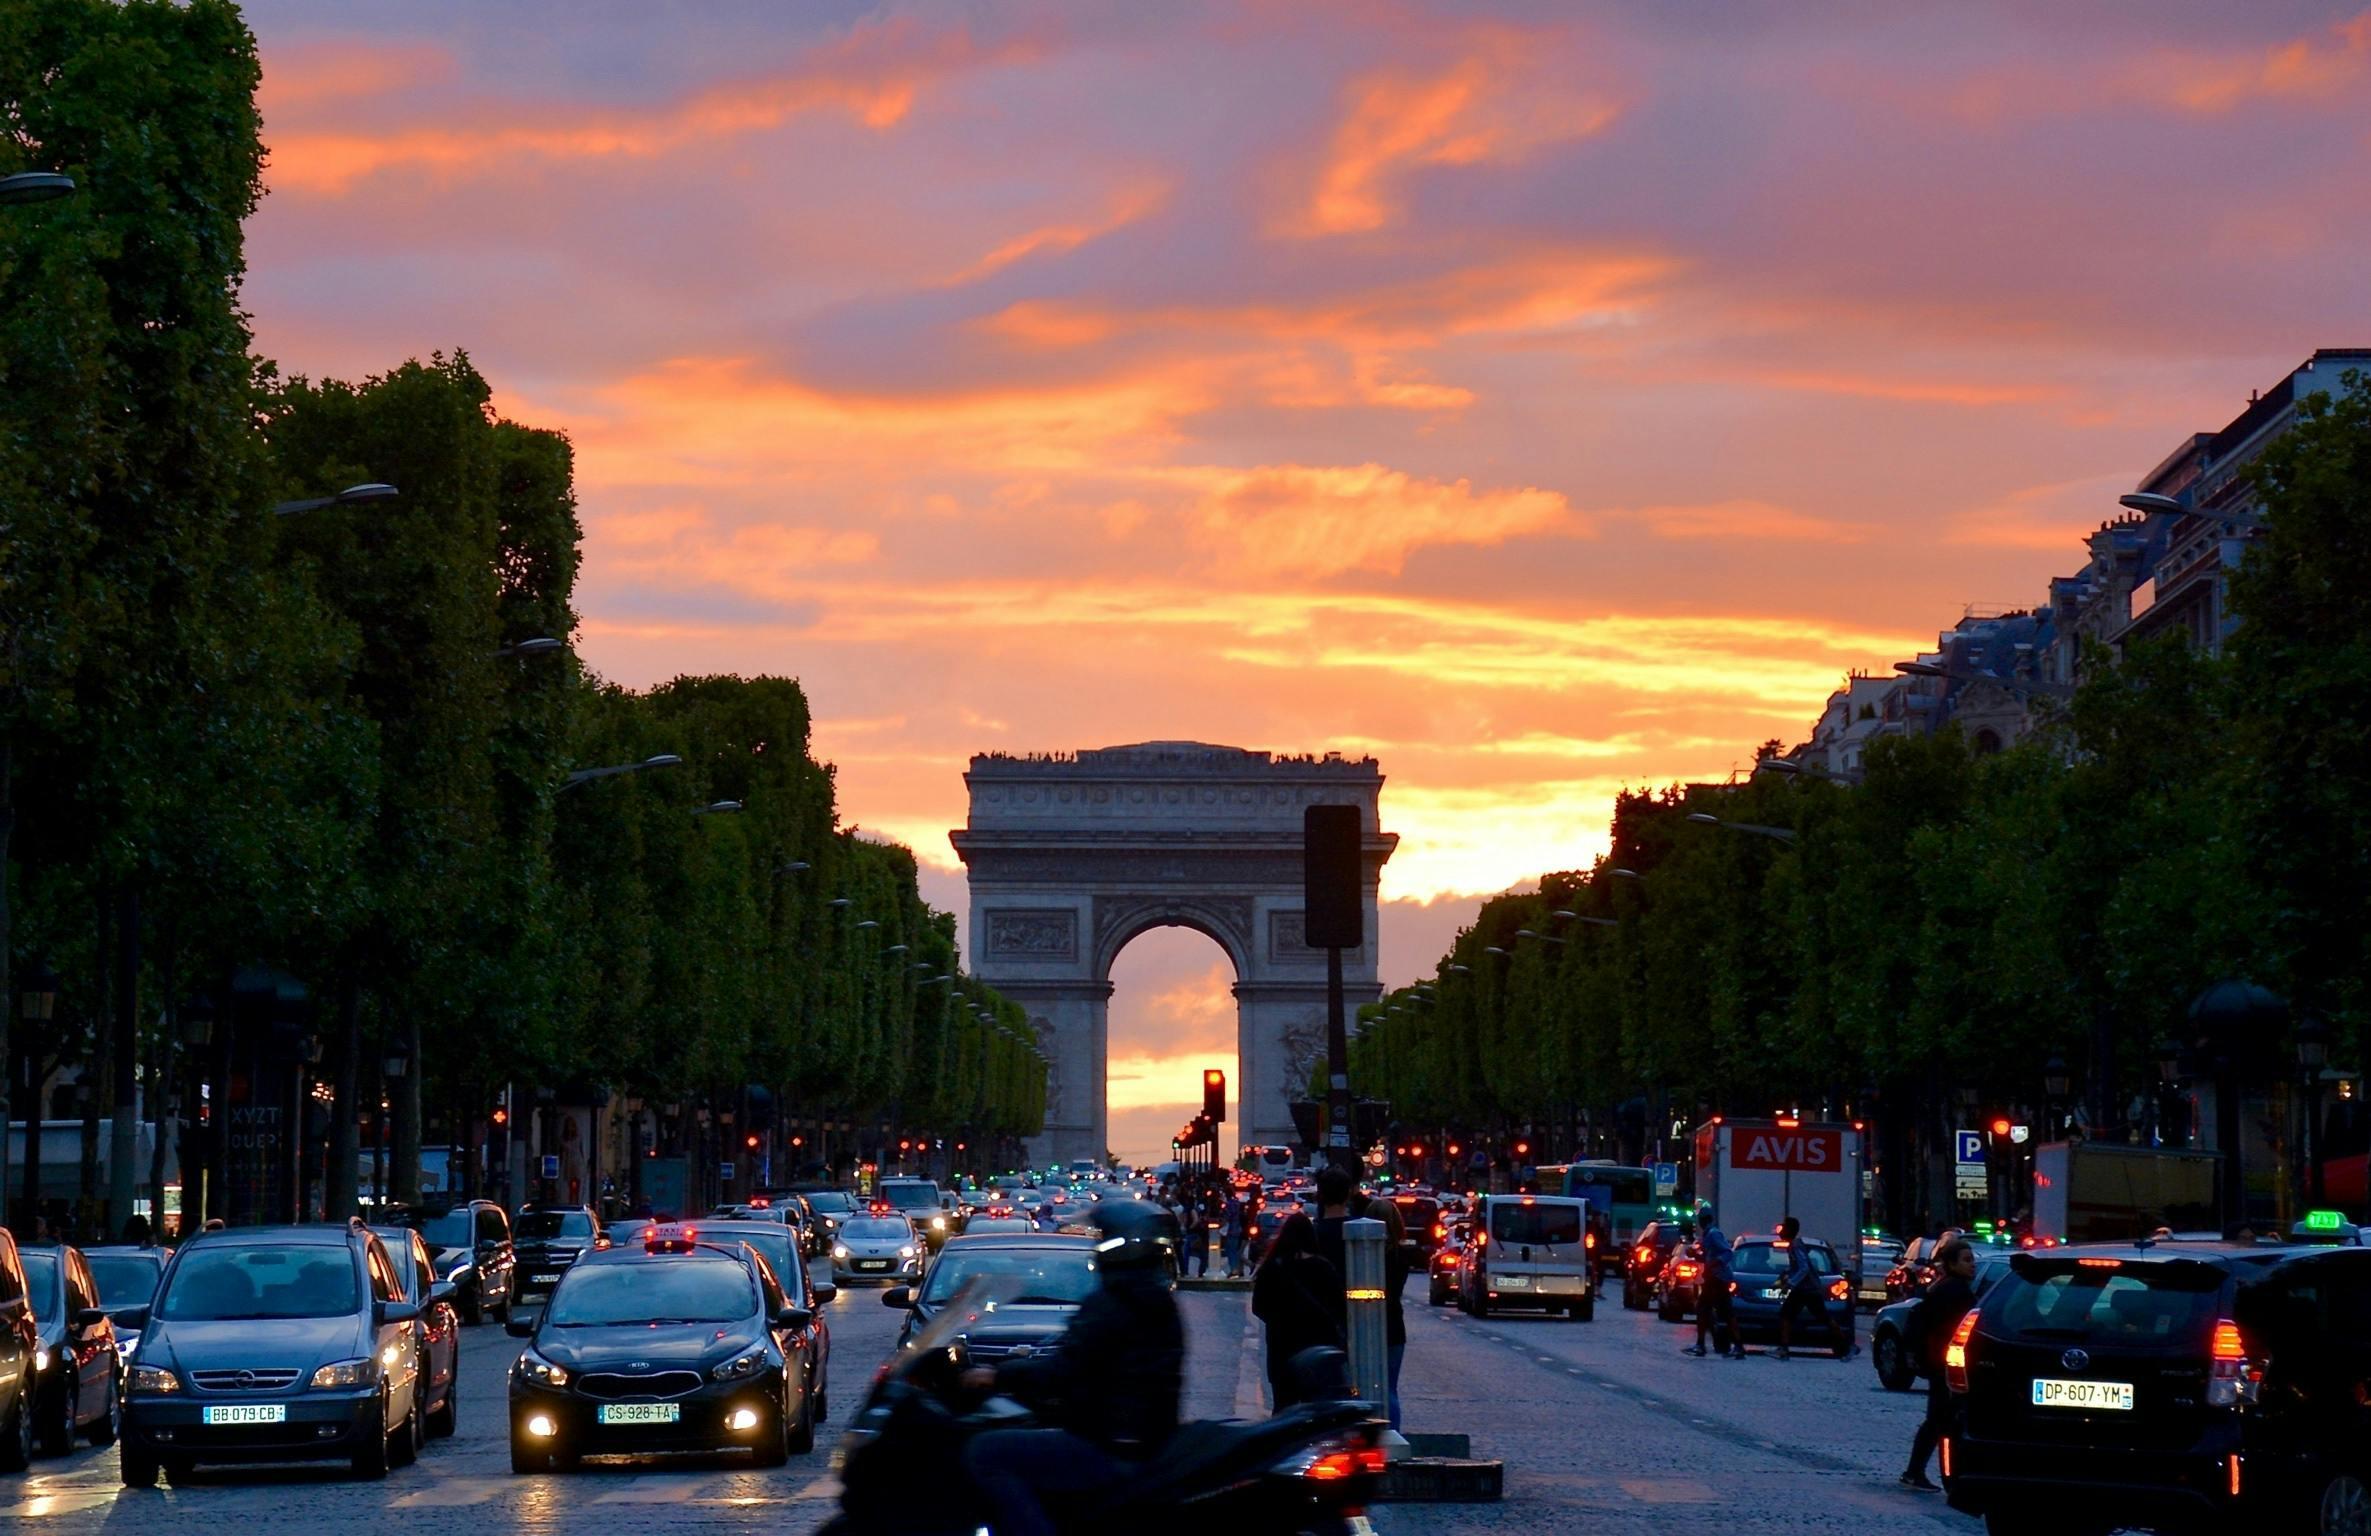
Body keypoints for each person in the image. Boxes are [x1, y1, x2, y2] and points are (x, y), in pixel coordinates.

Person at [959, 1200, 1184, 1536]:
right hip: (1136, 1438)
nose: (1097, 1246)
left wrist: (997, 1374)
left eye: (1103, 1238)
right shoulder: (1153, 1299)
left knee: (986, 1452)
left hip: (1110, 1445)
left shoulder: (1115, 1304)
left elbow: (1065, 1370)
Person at [1902, 1237, 1976, 1491]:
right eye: (1966, 1260)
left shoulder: (1941, 1287)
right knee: (1941, 1420)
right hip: (1947, 1365)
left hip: (1938, 1363)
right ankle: (1924, 1472)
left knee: (1938, 1420)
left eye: (1972, 1260)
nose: (1972, 1265)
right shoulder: (1957, 1292)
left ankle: (1917, 1471)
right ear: (1951, 1263)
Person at [1251, 1211, 1345, 1411]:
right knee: (1318, 1409)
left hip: (1282, 1347)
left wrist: (1280, 1321)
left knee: (1284, 1408)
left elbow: (1258, 1306)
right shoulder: (1324, 1268)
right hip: (1318, 1347)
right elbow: (1339, 1306)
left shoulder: (1272, 1268)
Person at [1774, 1215, 1851, 1359]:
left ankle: (1784, 1349)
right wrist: (1785, 1277)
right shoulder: (1794, 1245)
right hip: (1807, 1289)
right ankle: (1845, 1344)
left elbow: (1804, 1268)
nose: (1780, 1230)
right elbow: (1799, 1267)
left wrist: (1790, 1283)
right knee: (1822, 1317)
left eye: (1783, 1227)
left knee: (1786, 1315)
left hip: (1806, 1290)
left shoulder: (1795, 1246)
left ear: (1790, 1230)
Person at [1688, 1202, 1740, 1359]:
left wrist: (1715, 1263)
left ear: (1705, 1219)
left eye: (1701, 1219)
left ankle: (1701, 1344)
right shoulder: (1708, 1235)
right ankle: (1737, 1346)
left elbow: (1727, 1253)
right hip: (1715, 1278)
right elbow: (1708, 1256)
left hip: (1718, 1279)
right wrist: (1696, 1256)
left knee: (1704, 1309)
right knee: (1723, 1312)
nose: (1700, 1222)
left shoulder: (1713, 1234)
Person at [1220, 1186, 1245, 1278]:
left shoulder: (1228, 1205)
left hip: (1231, 1230)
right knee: (1234, 1250)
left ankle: (1234, 1270)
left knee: (1230, 1250)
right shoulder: (1237, 1203)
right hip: (1238, 1228)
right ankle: (1236, 1269)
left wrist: (1221, 1224)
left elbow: (1227, 1217)